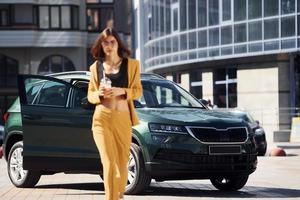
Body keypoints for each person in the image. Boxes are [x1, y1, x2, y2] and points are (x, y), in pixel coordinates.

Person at [87, 27, 142, 200]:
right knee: (109, 163)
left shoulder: (132, 65)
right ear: (101, 45)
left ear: (118, 43)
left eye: (112, 42)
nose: (109, 45)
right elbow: (90, 95)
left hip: (123, 119)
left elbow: (138, 91)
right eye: (105, 42)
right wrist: (99, 94)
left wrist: (120, 91)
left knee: (121, 164)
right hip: (101, 120)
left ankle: (118, 195)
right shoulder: (95, 67)